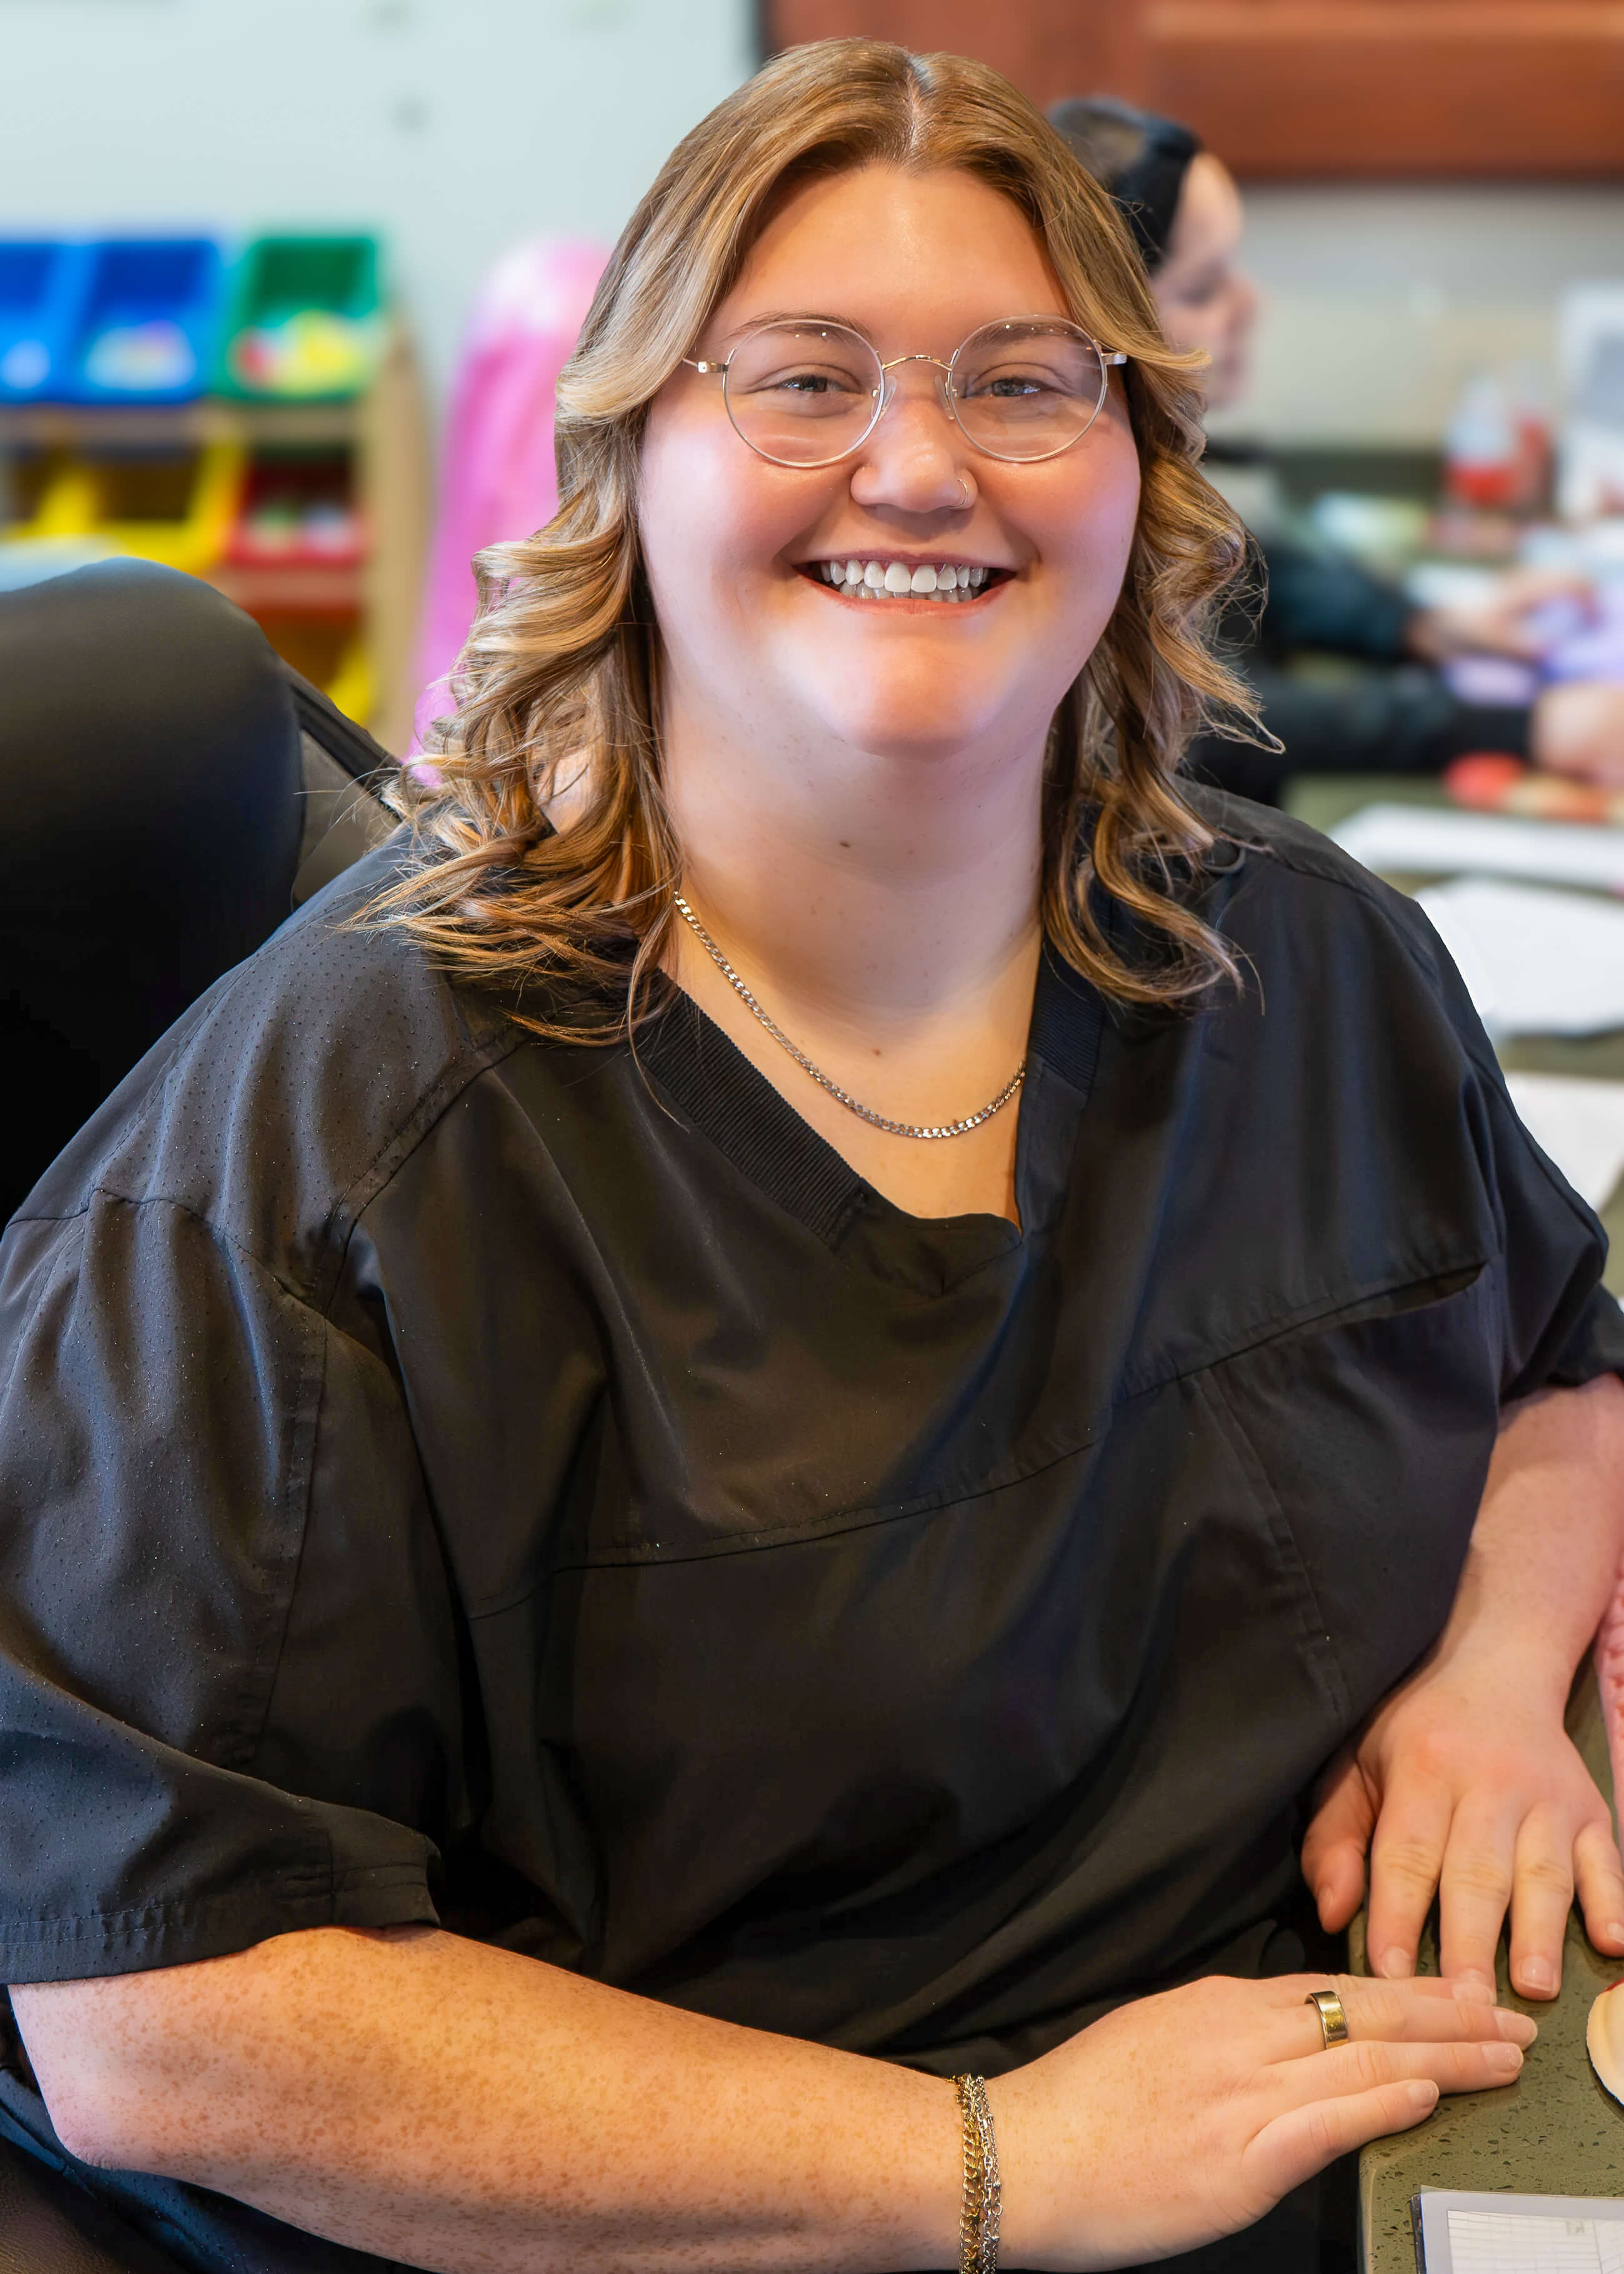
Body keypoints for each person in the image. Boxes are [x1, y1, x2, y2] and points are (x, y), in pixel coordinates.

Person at [4, 39, 1624, 2274]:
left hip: (1352, 2098)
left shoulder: (1308, 955)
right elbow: (166, 2009)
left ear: (1141, 468)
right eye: (799, 379)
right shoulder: (331, 1158)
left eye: (1025, 384)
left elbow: (1557, 1357)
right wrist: (986, 2163)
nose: (919, 463)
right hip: (798, 2210)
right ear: (626, 461)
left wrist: (1493, 1675)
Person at [1049, 96, 1624, 803]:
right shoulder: (1075, 511)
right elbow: (1204, 716)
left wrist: (1429, 625)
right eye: (1204, 287)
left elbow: (1252, 572)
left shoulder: (1156, 474)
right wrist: (1520, 729)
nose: (1249, 304)